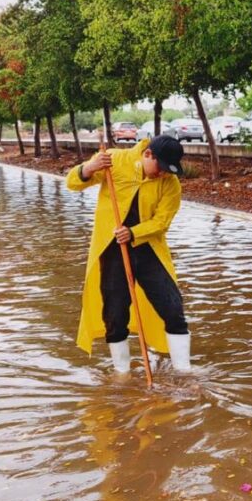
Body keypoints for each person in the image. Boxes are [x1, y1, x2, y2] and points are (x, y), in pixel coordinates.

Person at [66, 135, 192, 372]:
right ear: (148, 154)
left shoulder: (170, 183)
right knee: (115, 314)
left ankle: (184, 372)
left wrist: (133, 233)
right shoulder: (115, 160)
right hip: (112, 250)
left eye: (168, 170)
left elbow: (162, 222)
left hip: (148, 249)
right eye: (161, 167)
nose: (163, 174)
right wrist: (90, 167)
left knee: (173, 308)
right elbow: (73, 183)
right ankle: (122, 374)